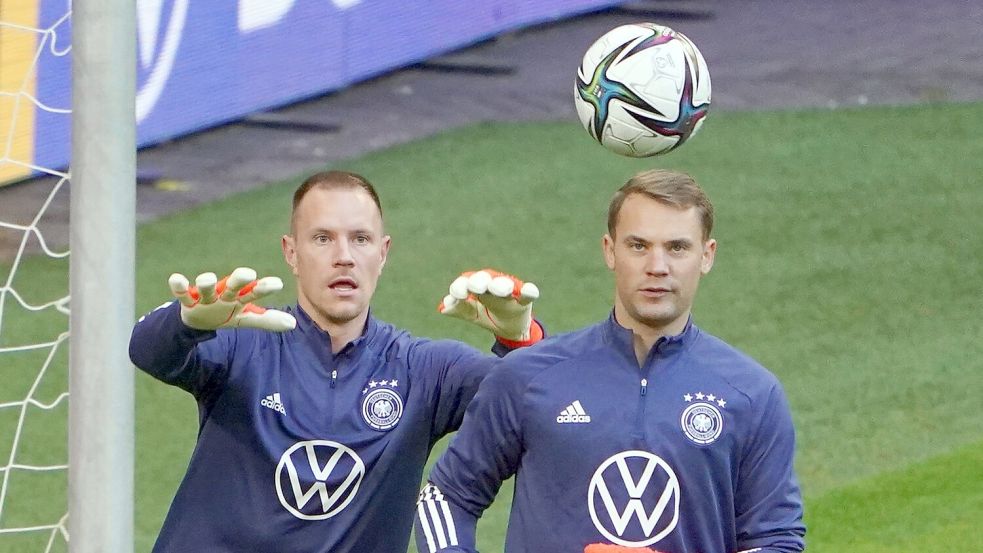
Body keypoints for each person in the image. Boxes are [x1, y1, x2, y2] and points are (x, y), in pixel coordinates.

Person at [128, 170, 543, 553]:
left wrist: (518, 338)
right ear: (291, 252)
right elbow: (147, 352)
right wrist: (184, 322)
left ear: (383, 254)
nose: (344, 256)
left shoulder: (425, 371)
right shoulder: (243, 344)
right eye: (322, 239)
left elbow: (541, 408)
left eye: (360, 239)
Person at [415, 169, 806, 553]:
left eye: (677, 247)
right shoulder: (528, 376)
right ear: (609, 250)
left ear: (706, 255)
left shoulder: (752, 395)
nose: (657, 266)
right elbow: (446, 497)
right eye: (638, 246)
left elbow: (776, 540)